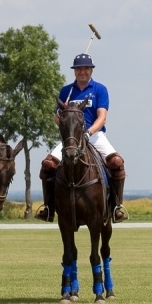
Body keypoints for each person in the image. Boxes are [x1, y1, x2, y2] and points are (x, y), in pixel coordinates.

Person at [35, 53, 128, 223]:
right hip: (71, 138)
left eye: (86, 68)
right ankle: (49, 208)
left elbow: (102, 117)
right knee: (47, 165)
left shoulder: (99, 89)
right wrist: (62, 120)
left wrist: (88, 132)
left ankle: (116, 207)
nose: (82, 71)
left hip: (94, 135)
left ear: (91, 70)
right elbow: (57, 118)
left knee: (117, 163)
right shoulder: (66, 91)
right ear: (74, 71)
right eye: (79, 69)